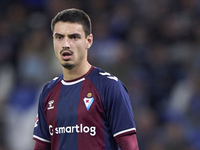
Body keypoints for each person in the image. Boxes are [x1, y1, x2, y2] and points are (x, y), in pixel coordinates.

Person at [33, 8, 139, 150]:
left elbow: (129, 145)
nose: (65, 44)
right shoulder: (47, 92)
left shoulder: (109, 86)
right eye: (59, 37)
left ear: (88, 41)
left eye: (74, 37)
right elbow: (41, 146)